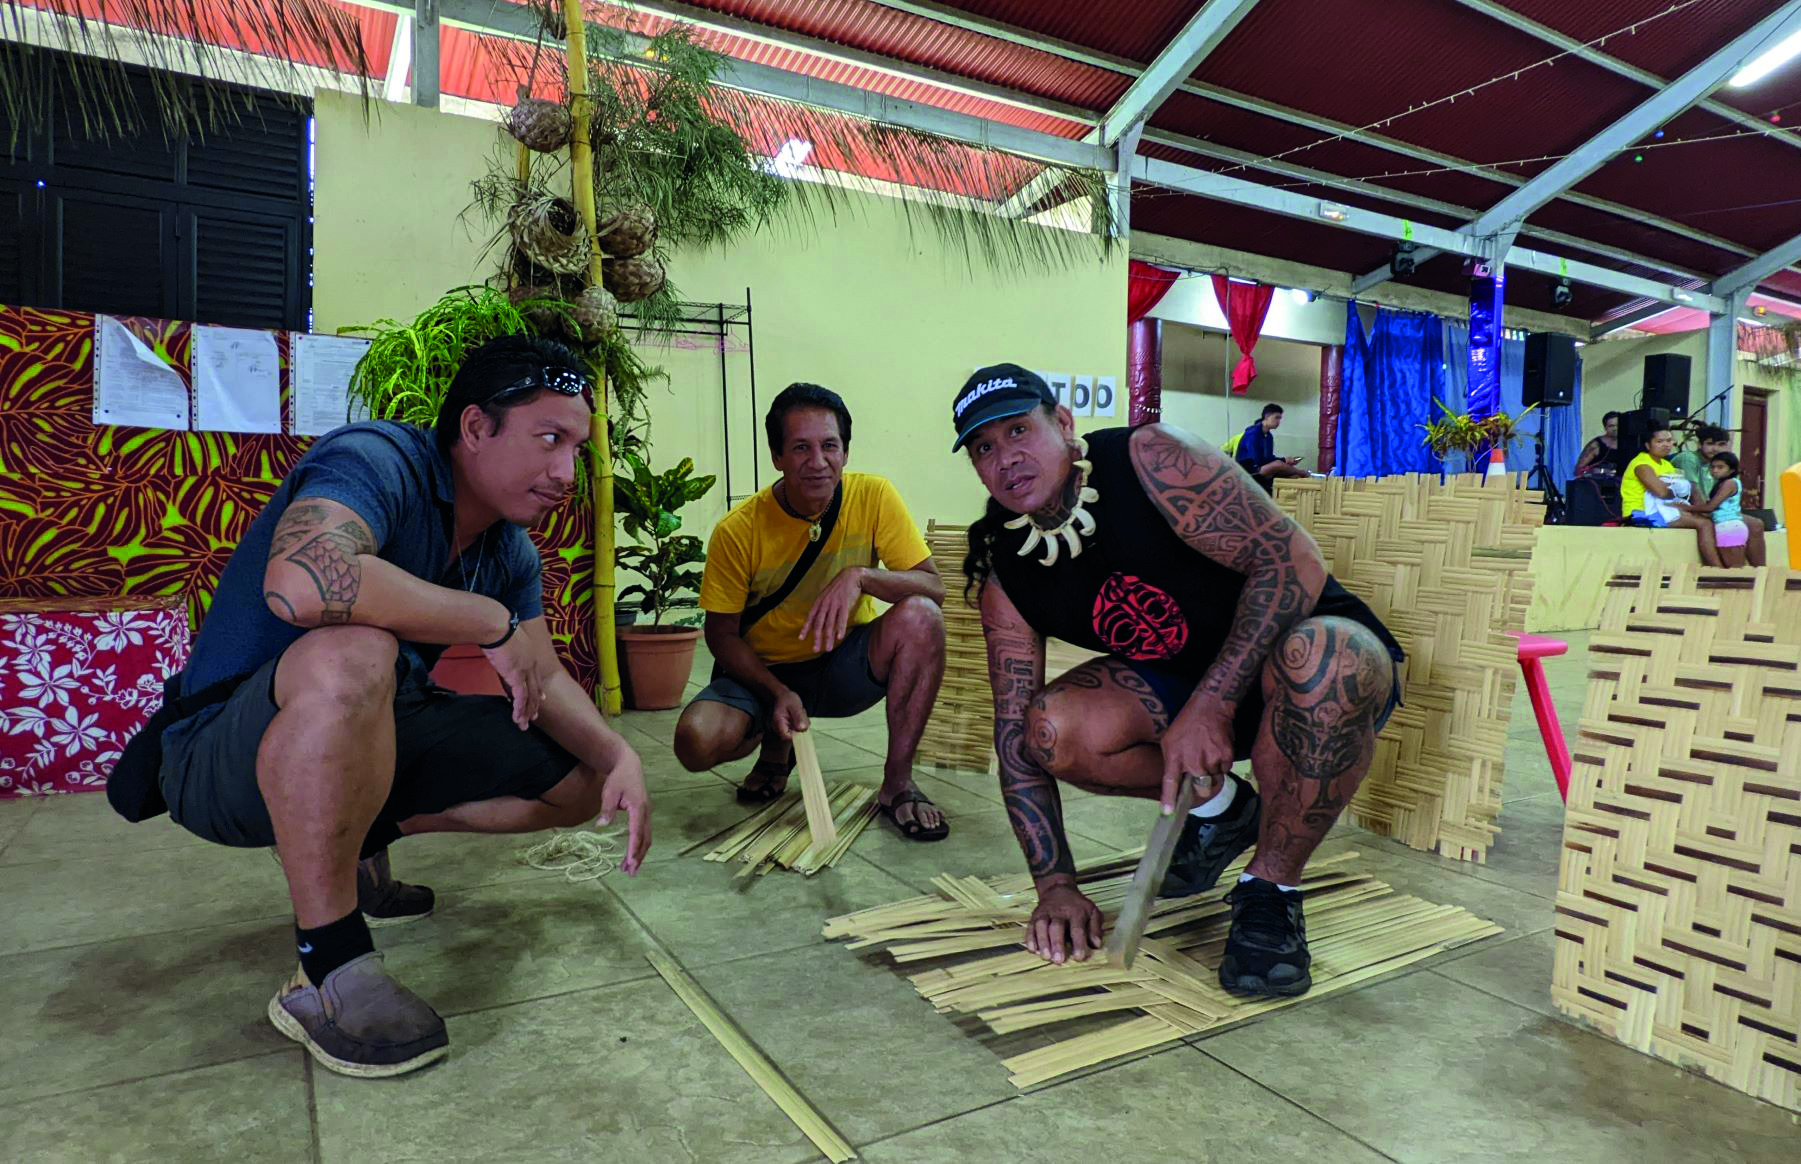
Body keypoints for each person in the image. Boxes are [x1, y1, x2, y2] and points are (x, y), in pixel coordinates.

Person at [148, 335, 652, 1078]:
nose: (565, 473)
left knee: (583, 780)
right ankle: (327, 970)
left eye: (577, 449)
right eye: (549, 439)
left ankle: (347, 840)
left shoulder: (506, 549)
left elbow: (540, 674)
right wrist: (487, 621)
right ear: (475, 427)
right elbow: (301, 584)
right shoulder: (377, 460)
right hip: (217, 755)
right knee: (353, 651)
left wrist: (620, 756)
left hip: (371, 727)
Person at [952, 364, 1405, 998]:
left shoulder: (1150, 458)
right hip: (1186, 688)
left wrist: (1212, 703)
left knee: (1328, 657)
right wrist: (1055, 886)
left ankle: (1271, 888)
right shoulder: (1007, 573)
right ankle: (1223, 810)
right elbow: (1012, 738)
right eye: (983, 448)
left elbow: (1293, 560)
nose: (1005, 458)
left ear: (1064, 424)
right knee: (1050, 731)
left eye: (1018, 431)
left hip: (1304, 667)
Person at [674, 383, 951, 841]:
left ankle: (898, 785)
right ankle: (773, 742)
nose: (818, 461)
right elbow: (721, 636)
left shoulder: (874, 496)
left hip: (842, 667)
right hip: (763, 674)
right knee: (695, 742)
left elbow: (933, 588)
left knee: (923, 616)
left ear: (846, 452)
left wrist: (860, 577)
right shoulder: (737, 530)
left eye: (829, 446)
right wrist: (776, 691)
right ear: (777, 457)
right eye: (801, 447)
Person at [1621, 427, 1722, 566]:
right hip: (1640, 513)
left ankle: (1722, 564)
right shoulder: (1642, 464)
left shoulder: (1666, 464)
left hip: (1663, 509)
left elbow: (1674, 490)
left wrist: (1674, 490)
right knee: (1704, 524)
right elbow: (1662, 492)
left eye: (1669, 441)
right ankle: (1717, 568)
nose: (1666, 445)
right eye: (1660, 441)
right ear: (1648, 445)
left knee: (1711, 519)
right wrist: (1676, 490)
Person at [1687, 452, 1751, 567]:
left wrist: (1686, 508)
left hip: (1730, 527)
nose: (1715, 470)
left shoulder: (1730, 483)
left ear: (1731, 470)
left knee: (1734, 570)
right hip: (1727, 527)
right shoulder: (1720, 483)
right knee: (1731, 570)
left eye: (1720, 467)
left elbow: (1710, 507)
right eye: (1712, 467)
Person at [1234, 403, 1309, 492]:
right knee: (1278, 464)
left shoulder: (1268, 436)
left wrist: (1285, 461)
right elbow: (1256, 460)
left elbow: (1269, 457)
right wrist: (1283, 460)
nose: (1279, 422)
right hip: (1249, 471)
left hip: (1261, 468)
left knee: (1293, 476)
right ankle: (1304, 472)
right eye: (1276, 418)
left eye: (1280, 418)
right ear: (1267, 416)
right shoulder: (1253, 434)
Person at [1670, 424, 1729, 502]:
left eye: (1721, 444)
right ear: (1699, 445)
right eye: (1710, 444)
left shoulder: (1715, 465)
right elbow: (1692, 493)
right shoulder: (1688, 459)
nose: (1716, 449)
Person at [1573, 411, 1621, 479]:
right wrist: (1601, 471)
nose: (1615, 429)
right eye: (1611, 426)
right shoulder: (1596, 445)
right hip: (1599, 482)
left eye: (1618, 425)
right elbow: (1578, 470)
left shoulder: (1630, 443)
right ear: (1605, 427)